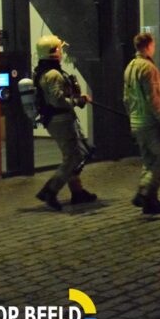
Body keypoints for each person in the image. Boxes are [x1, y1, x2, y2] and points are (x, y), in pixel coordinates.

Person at [34, 35, 97, 211]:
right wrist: (78, 101)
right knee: (73, 157)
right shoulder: (53, 74)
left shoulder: (45, 70)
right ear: (54, 52)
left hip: (59, 119)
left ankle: (78, 192)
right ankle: (50, 190)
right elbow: (57, 100)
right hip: (60, 119)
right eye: (60, 49)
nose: (62, 52)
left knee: (75, 154)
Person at [123, 33, 160, 214]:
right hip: (151, 123)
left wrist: (131, 119)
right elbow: (154, 100)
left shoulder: (130, 67)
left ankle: (150, 202)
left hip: (136, 122)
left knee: (149, 161)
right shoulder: (149, 69)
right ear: (149, 46)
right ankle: (145, 192)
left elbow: (126, 99)